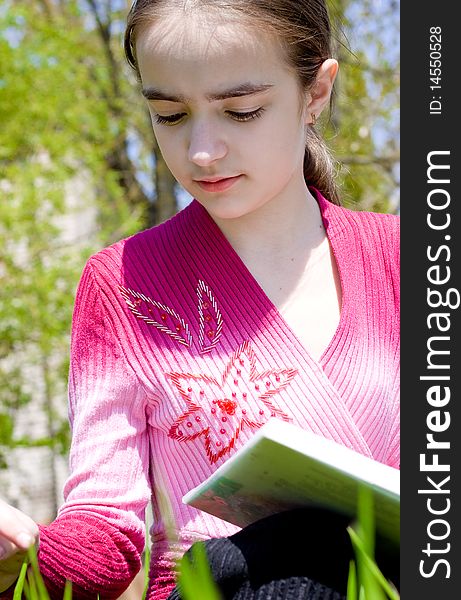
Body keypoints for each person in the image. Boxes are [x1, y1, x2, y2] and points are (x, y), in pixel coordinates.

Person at [0, 0, 400, 598]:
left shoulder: (405, 261)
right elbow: (106, 532)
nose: (202, 150)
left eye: (241, 112)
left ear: (316, 92)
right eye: (170, 115)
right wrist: (26, 556)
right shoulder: (124, 283)